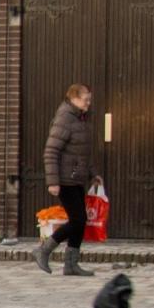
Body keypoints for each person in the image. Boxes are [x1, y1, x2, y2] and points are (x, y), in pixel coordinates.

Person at [36, 83, 98, 278]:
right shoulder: (65, 118)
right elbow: (51, 151)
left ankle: (71, 265)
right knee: (78, 220)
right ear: (74, 98)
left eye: (89, 99)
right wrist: (53, 181)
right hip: (64, 178)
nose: (88, 103)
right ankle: (44, 249)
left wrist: (93, 173)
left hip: (76, 177)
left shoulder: (80, 119)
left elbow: (81, 152)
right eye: (85, 99)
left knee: (79, 220)